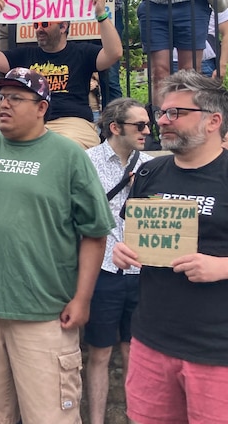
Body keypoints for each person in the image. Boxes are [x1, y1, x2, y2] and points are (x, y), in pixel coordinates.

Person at [0, 67, 113, 423]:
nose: (4, 105)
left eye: (16, 98)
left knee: (50, 415)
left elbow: (95, 233)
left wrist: (82, 299)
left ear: (41, 108)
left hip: (45, 313)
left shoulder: (70, 157)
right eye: (0, 97)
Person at [112, 70, 228, 423]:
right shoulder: (150, 173)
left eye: (176, 113)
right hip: (151, 342)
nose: (162, 120)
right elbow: (137, 237)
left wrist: (222, 267)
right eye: (162, 112)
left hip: (217, 352)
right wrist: (123, 253)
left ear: (213, 121)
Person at [83, 98, 153, 424]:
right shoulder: (87, 162)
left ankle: (137, 418)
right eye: (139, 125)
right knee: (99, 352)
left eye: (148, 124)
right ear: (115, 127)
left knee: (136, 354)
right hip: (103, 269)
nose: (147, 130)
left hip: (142, 270)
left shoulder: (152, 164)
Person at [0, 0, 122, 148]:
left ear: (63, 27)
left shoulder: (83, 53)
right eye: (36, 24)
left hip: (72, 123)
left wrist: (101, 15)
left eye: (45, 24)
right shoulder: (24, 54)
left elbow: (114, 53)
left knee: (62, 149)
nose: (39, 29)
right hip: (32, 123)